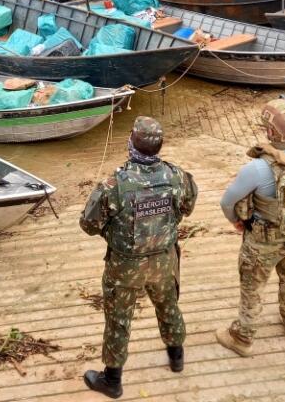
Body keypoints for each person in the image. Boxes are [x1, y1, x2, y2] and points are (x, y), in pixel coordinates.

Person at [80, 116, 198, 399]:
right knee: (168, 305)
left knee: (119, 319)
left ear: (131, 142)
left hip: (125, 266)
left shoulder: (114, 184)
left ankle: (112, 380)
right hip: (163, 259)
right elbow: (187, 206)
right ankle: (176, 357)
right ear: (159, 146)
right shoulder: (176, 176)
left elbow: (88, 224)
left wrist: (113, 232)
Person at [215, 99, 285, 357]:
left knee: (253, 287)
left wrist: (235, 220)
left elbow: (227, 201)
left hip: (263, 240)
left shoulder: (258, 168)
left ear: (271, 133)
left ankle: (242, 337)